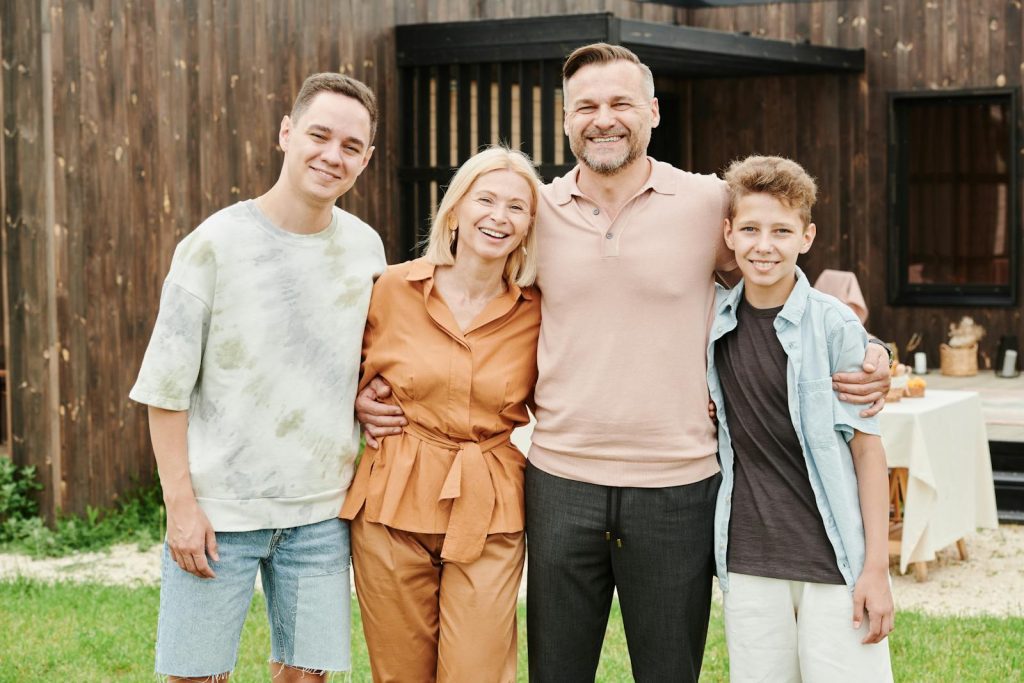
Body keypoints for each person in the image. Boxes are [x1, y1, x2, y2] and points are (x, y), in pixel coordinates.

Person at [358, 43, 891, 682]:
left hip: (678, 484)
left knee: (668, 671)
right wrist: (367, 394)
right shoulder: (533, 213)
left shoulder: (707, 204)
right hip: (560, 480)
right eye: (585, 106)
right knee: (557, 672)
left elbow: (775, 264)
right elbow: (465, 307)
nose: (602, 118)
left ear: (653, 112)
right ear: (564, 120)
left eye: (620, 103)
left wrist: (870, 350)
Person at [129, 73, 385, 682]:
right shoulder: (213, 244)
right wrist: (181, 506)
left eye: (351, 146)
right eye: (319, 136)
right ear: (286, 133)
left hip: (322, 512)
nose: (332, 155)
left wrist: (366, 397)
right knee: (195, 677)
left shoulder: (366, 250)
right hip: (219, 512)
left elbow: (363, 362)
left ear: (366, 160)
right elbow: (164, 391)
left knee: (306, 677)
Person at [339, 146, 542, 682]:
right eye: (487, 200)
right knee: (400, 672)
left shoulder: (539, 310)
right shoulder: (391, 288)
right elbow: (327, 369)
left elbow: (579, 388)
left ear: (528, 228)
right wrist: (354, 402)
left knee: (477, 670)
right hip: (392, 496)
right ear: (455, 210)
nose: (499, 216)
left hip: (488, 503)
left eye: (517, 208)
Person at [708, 155, 893, 681]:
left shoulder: (834, 325)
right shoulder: (712, 318)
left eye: (781, 231)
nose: (764, 245)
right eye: (750, 229)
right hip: (748, 559)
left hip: (832, 558)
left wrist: (875, 569)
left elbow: (868, 451)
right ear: (729, 233)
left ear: (806, 238)